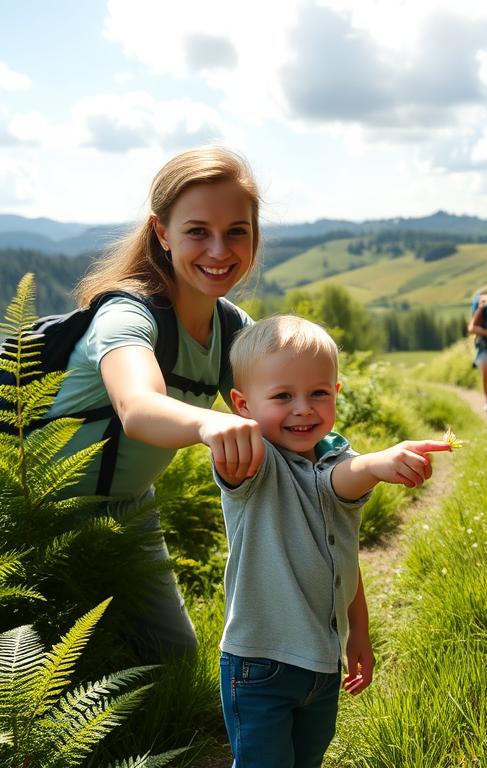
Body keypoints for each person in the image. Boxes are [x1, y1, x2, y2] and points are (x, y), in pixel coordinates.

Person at [44, 146, 266, 662]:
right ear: (161, 233)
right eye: (197, 231)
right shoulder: (126, 315)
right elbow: (139, 406)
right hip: (40, 507)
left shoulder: (232, 329)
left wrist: (360, 466)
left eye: (237, 230)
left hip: (130, 508)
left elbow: (285, 416)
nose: (219, 250)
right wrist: (212, 424)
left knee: (174, 662)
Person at [213, 315, 450, 767]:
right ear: (244, 406)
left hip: (323, 664)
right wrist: (378, 464)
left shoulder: (337, 457)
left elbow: (341, 541)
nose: (303, 408)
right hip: (261, 663)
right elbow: (348, 479)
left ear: (335, 394)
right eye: (283, 396)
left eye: (318, 393)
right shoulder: (254, 463)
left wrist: (358, 629)